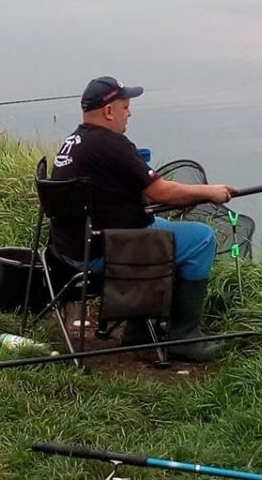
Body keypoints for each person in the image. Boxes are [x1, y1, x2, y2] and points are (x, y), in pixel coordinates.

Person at [51, 75, 234, 362]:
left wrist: (189, 196)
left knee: (167, 230)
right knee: (201, 238)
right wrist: (210, 192)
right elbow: (160, 192)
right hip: (104, 250)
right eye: (125, 106)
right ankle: (183, 336)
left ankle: (139, 329)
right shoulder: (114, 145)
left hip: (69, 250)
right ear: (109, 111)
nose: (130, 112)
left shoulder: (75, 141)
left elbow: (128, 193)